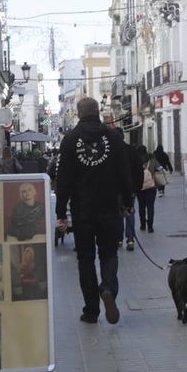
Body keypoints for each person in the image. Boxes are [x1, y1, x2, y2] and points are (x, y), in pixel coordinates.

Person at [56, 98, 135, 324]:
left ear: (78, 114)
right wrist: (128, 202)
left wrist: (60, 212)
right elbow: (124, 173)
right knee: (109, 254)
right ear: (98, 112)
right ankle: (108, 289)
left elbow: (63, 180)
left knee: (85, 259)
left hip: (83, 212)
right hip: (110, 209)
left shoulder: (70, 140)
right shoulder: (112, 137)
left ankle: (91, 311)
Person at [104, 112, 143, 251]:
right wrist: (137, 187)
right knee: (130, 212)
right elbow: (139, 170)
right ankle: (130, 239)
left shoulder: (109, 152)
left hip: (114, 190)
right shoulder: (131, 150)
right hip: (130, 189)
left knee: (117, 214)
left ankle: (119, 239)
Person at [136, 144, 159, 234]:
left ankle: (142, 225)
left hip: (139, 187)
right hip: (151, 186)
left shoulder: (135, 160)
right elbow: (160, 168)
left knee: (141, 207)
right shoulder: (152, 160)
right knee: (150, 206)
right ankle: (150, 226)